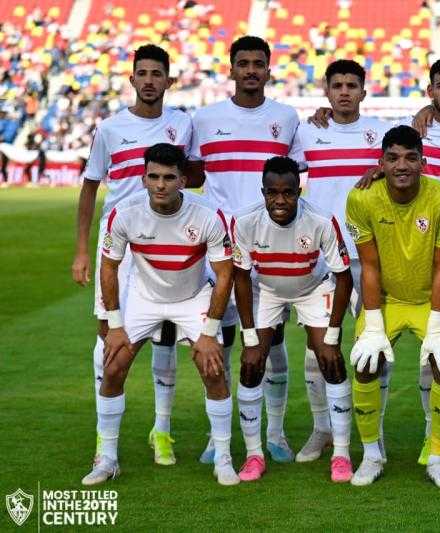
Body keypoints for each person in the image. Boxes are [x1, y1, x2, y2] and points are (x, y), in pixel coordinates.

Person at [81, 143, 237, 486]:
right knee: (113, 366)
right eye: (153, 177)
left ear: (183, 180)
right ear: (143, 178)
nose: (160, 184)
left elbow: (225, 274)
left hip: (192, 296)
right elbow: (109, 268)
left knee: (213, 370)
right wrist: (115, 325)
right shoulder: (125, 213)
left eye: (169, 177)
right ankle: (107, 458)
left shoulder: (209, 215)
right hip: (143, 297)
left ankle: (223, 457)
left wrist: (209, 331)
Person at [71, 44, 192, 466]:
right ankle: (105, 443)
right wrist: (81, 250)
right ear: (132, 79)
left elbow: (196, 173)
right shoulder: (109, 129)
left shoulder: (183, 124)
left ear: (168, 81)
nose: (149, 81)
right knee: (108, 334)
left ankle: (163, 429)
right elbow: (90, 187)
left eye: (157, 74)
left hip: (167, 242)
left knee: (167, 332)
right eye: (143, 73)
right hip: (118, 246)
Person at [188, 35, 303, 464]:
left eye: (258, 63)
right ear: (231, 68)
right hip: (219, 248)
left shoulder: (287, 118)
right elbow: (189, 173)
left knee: (271, 340)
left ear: (269, 70)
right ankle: (216, 434)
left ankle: (276, 432)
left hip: (271, 245)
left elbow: (297, 175)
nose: (251, 70)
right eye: (244, 63)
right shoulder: (204, 119)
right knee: (220, 340)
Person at [345, 125, 440, 488]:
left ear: (423, 162)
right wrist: (374, 327)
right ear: (380, 163)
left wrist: (437, 329)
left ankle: (438, 457)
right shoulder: (362, 198)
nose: (402, 165)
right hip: (386, 300)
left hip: (433, 300)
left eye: (411, 158)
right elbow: (369, 266)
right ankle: (371, 455)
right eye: (393, 158)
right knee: (365, 365)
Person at [288, 60, 393, 461]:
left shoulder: (381, 134)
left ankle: (373, 432)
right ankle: (322, 429)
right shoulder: (307, 132)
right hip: (320, 257)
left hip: (369, 254)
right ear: (327, 91)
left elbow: (407, 163)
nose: (345, 91)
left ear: (364, 92)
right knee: (317, 346)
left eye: (352, 85)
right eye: (338, 85)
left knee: (374, 343)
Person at [231, 156, 354, 482]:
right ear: (263, 192)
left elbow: (344, 278)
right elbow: (240, 278)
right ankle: (254, 455)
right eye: (272, 193)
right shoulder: (244, 221)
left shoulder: (321, 221)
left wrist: (333, 333)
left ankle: (341, 454)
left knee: (330, 358)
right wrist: (249, 335)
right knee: (251, 363)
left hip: (313, 288)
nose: (280, 200)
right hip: (266, 290)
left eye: (288, 192)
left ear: (299, 192)